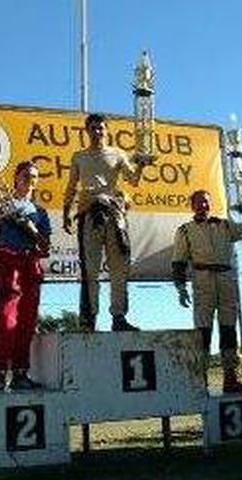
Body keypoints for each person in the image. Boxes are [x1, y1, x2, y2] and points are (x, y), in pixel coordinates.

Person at [171, 189, 242, 392]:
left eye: (206, 202)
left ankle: (230, 378)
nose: (203, 205)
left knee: (229, 329)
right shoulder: (184, 230)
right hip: (202, 282)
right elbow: (178, 262)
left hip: (226, 280)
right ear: (192, 206)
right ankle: (200, 381)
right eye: (199, 202)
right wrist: (180, 288)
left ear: (211, 205)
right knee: (203, 331)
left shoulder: (226, 225)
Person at [63, 113, 146, 332]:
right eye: (93, 128)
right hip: (90, 215)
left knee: (119, 268)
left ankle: (119, 317)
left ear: (107, 130)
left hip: (114, 215)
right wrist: (65, 213)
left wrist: (141, 166)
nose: (97, 132)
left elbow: (134, 180)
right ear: (87, 131)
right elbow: (72, 187)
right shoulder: (79, 157)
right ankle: (89, 320)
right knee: (90, 270)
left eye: (101, 128)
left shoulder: (117, 154)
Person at [0, 160, 51, 392]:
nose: (30, 180)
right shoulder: (1, 203)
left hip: (30, 264)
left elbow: (46, 246)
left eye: (34, 176)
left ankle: (21, 373)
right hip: (8, 262)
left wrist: (33, 233)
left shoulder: (40, 212)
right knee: (5, 317)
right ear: (16, 178)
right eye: (26, 175)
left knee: (28, 320)